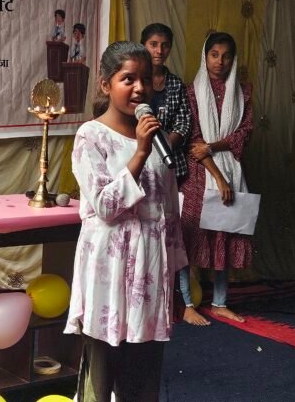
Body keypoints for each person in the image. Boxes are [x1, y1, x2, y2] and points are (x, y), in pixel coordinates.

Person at [64, 41, 188, 402]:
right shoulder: (91, 136)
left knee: (144, 374)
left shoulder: (157, 139)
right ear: (106, 84)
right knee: (103, 372)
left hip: (151, 267)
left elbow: (170, 215)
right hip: (110, 266)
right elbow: (105, 206)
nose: (139, 88)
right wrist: (140, 153)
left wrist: (177, 284)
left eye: (145, 79)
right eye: (128, 79)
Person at [177, 32, 253, 325]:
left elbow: (244, 134)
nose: (220, 61)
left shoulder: (242, 93)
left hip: (231, 168)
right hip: (198, 175)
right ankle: (187, 304)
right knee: (187, 238)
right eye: (214, 54)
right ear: (205, 56)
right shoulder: (190, 93)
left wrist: (213, 146)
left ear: (234, 59)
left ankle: (220, 302)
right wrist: (219, 178)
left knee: (225, 232)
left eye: (226, 56)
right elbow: (194, 142)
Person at [140, 23, 191, 187]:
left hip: (170, 159)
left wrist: (164, 146)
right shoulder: (134, 81)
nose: (159, 51)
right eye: (153, 44)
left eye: (165, 45)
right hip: (137, 156)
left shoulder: (176, 84)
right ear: (143, 46)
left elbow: (183, 124)